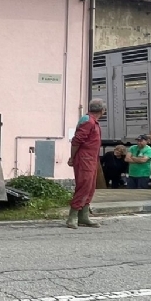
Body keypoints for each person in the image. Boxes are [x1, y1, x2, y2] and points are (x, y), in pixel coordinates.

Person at [66, 98, 104, 228]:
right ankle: (73, 216)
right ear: (102, 110)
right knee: (84, 186)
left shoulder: (91, 121)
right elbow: (76, 141)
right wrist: (72, 157)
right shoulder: (88, 121)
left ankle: (83, 216)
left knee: (90, 187)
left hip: (91, 159)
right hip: (85, 159)